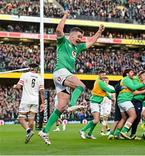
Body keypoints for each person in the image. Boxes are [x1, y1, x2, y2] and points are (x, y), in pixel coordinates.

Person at [39, 10, 105, 145]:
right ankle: (73, 105)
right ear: (72, 36)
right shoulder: (63, 42)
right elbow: (58, 29)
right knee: (81, 86)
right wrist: (65, 16)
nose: (81, 39)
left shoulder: (78, 47)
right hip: (61, 71)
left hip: (65, 75)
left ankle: (44, 131)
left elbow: (90, 42)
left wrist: (99, 32)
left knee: (61, 106)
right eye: (79, 36)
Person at [13, 63, 44, 144]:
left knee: (21, 118)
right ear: (36, 69)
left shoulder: (25, 75)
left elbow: (19, 87)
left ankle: (28, 131)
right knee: (31, 120)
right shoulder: (40, 77)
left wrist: (15, 86)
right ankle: (29, 136)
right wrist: (43, 103)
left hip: (26, 100)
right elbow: (42, 92)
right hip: (35, 101)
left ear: (30, 68)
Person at [80, 71, 115, 139]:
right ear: (99, 75)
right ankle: (82, 130)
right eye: (102, 75)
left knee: (97, 120)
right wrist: (118, 89)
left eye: (105, 75)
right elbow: (109, 90)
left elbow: (105, 93)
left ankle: (89, 134)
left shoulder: (99, 81)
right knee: (96, 120)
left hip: (97, 103)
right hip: (94, 102)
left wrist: (111, 98)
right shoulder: (100, 82)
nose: (104, 76)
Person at [117, 69, 145, 139]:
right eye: (131, 72)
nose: (133, 73)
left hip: (121, 100)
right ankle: (124, 131)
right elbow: (133, 87)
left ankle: (116, 134)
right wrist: (143, 84)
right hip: (125, 99)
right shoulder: (127, 79)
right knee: (133, 116)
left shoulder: (127, 79)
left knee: (124, 118)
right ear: (127, 74)